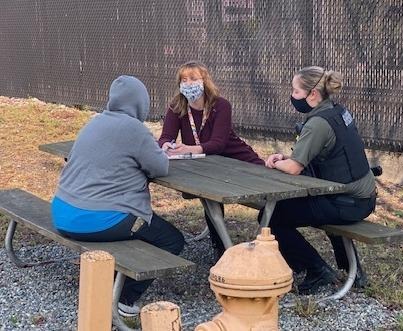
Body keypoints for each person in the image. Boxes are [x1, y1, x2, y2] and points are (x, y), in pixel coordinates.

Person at [51, 75, 185, 317]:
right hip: (98, 220)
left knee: (144, 232)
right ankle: (123, 299)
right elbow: (160, 167)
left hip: (63, 212)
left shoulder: (95, 122)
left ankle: (108, 282)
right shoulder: (134, 129)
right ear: (140, 103)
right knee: (172, 240)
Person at [265, 66, 377, 294]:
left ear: (312, 94)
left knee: (271, 218)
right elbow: (323, 155)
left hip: (347, 202)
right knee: (301, 211)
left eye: (295, 92)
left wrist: (275, 162)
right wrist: (289, 158)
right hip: (362, 197)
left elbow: (294, 168)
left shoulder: (317, 123)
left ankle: (316, 270)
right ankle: (352, 271)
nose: (292, 96)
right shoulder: (337, 112)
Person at [158, 60, 264, 257]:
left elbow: (218, 143)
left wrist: (191, 148)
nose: (188, 84)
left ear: (205, 81)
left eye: (193, 79)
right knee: (210, 199)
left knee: (267, 199)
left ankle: (267, 243)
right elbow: (165, 137)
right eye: (184, 80)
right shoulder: (176, 106)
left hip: (237, 160)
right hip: (208, 167)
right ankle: (221, 248)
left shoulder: (220, 105)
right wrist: (166, 146)